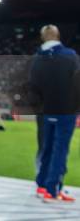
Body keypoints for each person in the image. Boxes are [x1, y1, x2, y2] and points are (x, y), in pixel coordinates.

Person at [30, 25, 79, 203]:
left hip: (44, 111)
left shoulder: (36, 59)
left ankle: (42, 185)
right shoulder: (70, 56)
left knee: (46, 148)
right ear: (58, 36)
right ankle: (53, 189)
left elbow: (32, 87)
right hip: (65, 111)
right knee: (60, 150)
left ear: (43, 38)